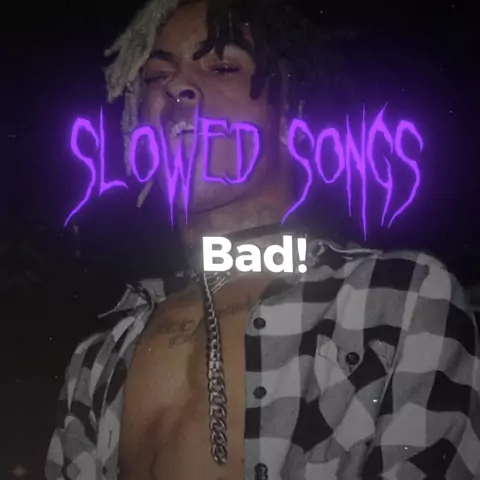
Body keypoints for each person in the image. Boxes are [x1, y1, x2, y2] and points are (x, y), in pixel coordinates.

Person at [46, 0, 480, 479]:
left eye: (223, 66)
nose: (176, 86)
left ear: (291, 110)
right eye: (156, 75)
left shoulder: (395, 302)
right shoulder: (99, 361)